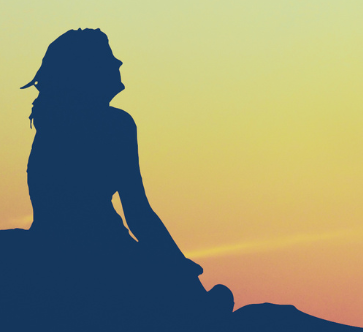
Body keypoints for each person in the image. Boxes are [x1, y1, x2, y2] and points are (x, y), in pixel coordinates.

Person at [21, 28, 231, 315]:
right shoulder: (114, 125)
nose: (118, 63)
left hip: (52, 247)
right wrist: (180, 269)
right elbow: (139, 213)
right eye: (108, 57)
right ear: (87, 72)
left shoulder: (51, 128)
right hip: (101, 251)